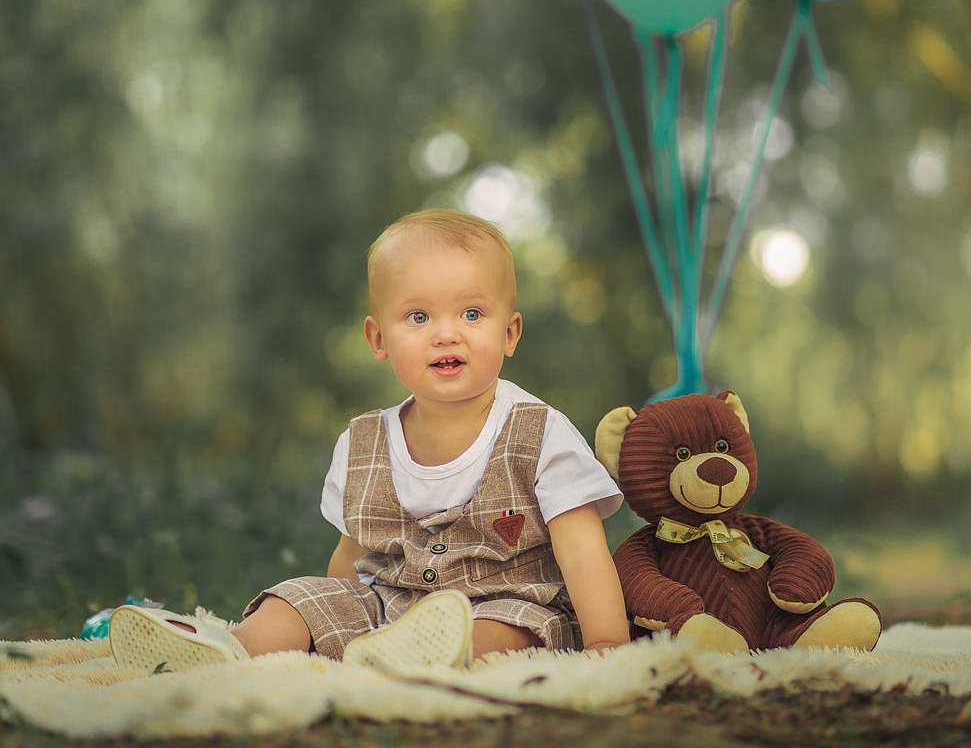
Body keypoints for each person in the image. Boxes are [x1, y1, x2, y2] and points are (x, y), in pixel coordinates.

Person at [108, 209, 629, 673]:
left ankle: (436, 656)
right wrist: (330, 612)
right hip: (388, 609)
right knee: (296, 599)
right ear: (378, 339)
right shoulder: (363, 444)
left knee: (503, 634)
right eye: (418, 317)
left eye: (472, 313)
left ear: (511, 333)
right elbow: (353, 555)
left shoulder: (540, 432)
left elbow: (582, 547)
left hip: (506, 604)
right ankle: (227, 651)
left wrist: (606, 638)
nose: (446, 333)